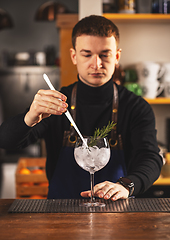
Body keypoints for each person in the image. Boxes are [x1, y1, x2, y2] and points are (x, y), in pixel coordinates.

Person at [0, 15, 162, 201]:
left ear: (116, 56)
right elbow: (5, 141)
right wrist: (30, 117)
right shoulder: (56, 102)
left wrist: (127, 185)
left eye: (104, 54)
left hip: (117, 216)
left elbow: (150, 157)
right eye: (87, 54)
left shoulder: (136, 107)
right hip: (60, 214)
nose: (96, 64)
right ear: (74, 56)